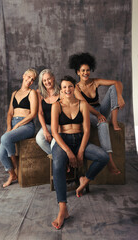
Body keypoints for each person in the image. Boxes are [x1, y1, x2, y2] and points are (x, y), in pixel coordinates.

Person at [51, 75, 109, 230]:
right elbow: (55, 133)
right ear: (61, 90)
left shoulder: (82, 104)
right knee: (57, 164)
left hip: (80, 140)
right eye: (64, 87)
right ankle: (63, 208)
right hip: (63, 142)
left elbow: (87, 130)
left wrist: (81, 151)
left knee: (103, 157)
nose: (67, 89)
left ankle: (85, 180)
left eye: (70, 86)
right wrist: (69, 152)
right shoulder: (56, 106)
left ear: (74, 88)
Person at [69, 52, 125, 174]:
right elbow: (86, 105)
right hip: (88, 114)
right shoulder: (76, 88)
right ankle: (110, 162)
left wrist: (119, 97)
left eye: (88, 70)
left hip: (100, 110)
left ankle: (114, 122)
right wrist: (99, 116)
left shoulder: (95, 81)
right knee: (103, 124)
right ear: (78, 72)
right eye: (83, 70)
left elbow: (117, 83)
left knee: (113, 88)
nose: (85, 73)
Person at [0, 69, 38, 188]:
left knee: (5, 138)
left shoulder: (32, 93)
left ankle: (16, 166)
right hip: (14, 124)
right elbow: (10, 113)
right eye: (29, 77)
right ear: (23, 75)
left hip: (26, 125)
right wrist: (9, 126)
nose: (30, 80)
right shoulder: (14, 93)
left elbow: (33, 114)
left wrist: (17, 125)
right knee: (0, 153)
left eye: (32, 80)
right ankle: (12, 174)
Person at [36, 69, 60, 154]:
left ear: (53, 78)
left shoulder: (61, 92)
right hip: (48, 125)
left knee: (54, 143)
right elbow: (40, 113)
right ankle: (56, 157)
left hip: (60, 125)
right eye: (44, 80)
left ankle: (59, 160)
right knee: (39, 138)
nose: (47, 82)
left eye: (49, 79)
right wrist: (45, 130)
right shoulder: (39, 93)